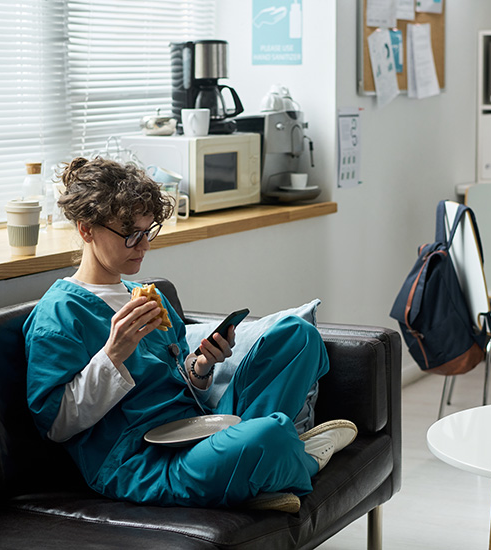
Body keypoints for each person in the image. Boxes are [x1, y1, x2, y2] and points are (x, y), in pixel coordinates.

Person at [23, 156, 356, 513]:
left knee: (297, 335)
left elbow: (180, 377)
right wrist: (112, 355)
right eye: (130, 235)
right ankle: (298, 458)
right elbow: (56, 424)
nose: (143, 246)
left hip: (197, 430)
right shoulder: (59, 313)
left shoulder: (151, 295)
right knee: (266, 436)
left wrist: (200, 366)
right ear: (86, 229)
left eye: (148, 231)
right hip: (144, 462)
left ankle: (265, 465)